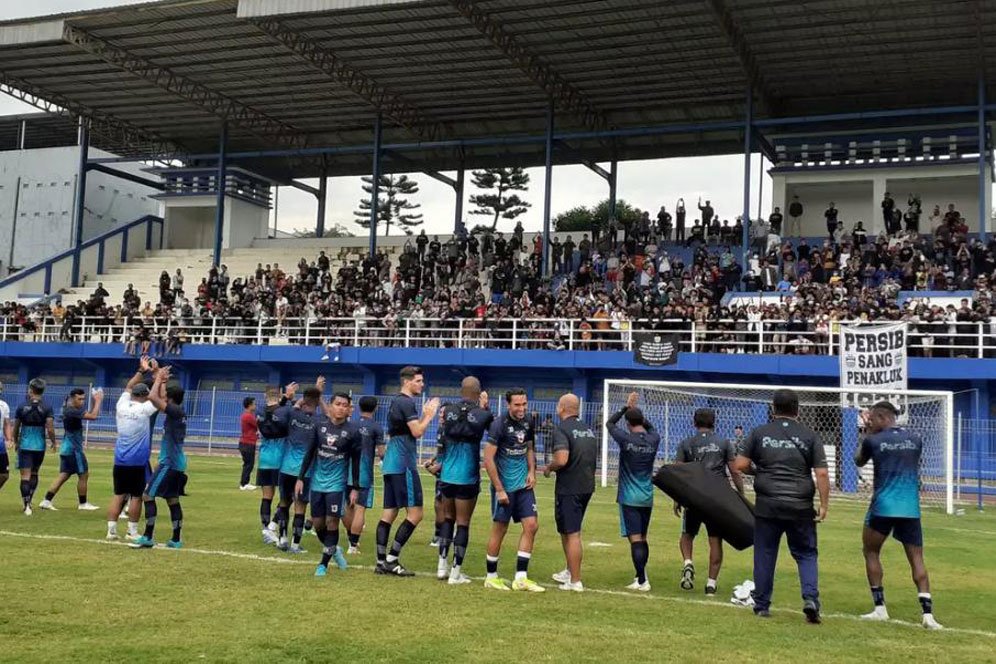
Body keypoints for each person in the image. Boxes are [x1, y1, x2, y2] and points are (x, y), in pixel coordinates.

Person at [734, 389, 830, 624]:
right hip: (800, 505)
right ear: (798, 409)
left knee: (765, 554)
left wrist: (758, 471)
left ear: (773, 409)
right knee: (806, 553)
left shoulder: (759, 433)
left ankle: (762, 605)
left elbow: (740, 464)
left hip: (768, 504)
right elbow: (822, 473)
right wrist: (824, 504)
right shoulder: (810, 436)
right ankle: (810, 600)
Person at [855, 401, 942, 629]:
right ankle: (928, 615)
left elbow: (858, 460)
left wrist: (867, 432)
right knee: (916, 559)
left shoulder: (873, 440)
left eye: (871, 419)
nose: (869, 422)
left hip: (883, 506)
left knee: (871, 550)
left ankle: (880, 608)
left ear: (882, 418)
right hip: (910, 507)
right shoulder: (915, 439)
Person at [375, 366, 440, 576]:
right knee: (416, 513)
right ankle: (392, 559)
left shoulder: (396, 401)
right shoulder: (406, 402)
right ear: (407, 382)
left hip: (391, 465)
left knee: (389, 513)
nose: (422, 384)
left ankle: (380, 562)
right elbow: (417, 431)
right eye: (419, 381)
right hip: (403, 465)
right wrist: (429, 415)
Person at [674, 408, 744, 594]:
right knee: (715, 540)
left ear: (694, 423)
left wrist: (678, 498)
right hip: (716, 498)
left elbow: (678, 472)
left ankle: (688, 562)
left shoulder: (686, 443)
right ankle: (711, 584)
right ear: (714, 423)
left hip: (694, 496)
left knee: (687, 534)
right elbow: (735, 471)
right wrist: (741, 494)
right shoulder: (724, 443)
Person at [482, 389, 544, 592]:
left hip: (523, 485)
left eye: (524, 404)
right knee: (500, 529)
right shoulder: (499, 425)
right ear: (508, 405)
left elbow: (529, 447)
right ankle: (491, 576)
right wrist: (499, 489)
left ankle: (521, 578)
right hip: (504, 486)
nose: (522, 408)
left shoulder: (528, 422)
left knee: (532, 525)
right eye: (517, 404)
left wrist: (532, 471)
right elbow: (488, 458)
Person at [297, 392, 365, 577]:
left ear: (349, 409)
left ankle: (323, 565)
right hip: (317, 484)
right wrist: (300, 477)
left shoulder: (353, 432)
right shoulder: (319, 427)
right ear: (331, 405)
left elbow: (356, 462)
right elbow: (310, 453)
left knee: (332, 521)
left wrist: (355, 488)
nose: (341, 407)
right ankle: (334, 550)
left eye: (345, 405)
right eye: (338, 404)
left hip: (337, 485)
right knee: (318, 524)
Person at [435, 377, 493, 585]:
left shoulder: (448, 409)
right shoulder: (483, 414)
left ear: (461, 391)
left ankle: (441, 566)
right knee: (463, 523)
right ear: (479, 393)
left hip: (447, 474)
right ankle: (455, 572)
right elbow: (492, 431)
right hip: (467, 475)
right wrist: (485, 407)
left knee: (447, 519)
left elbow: (442, 433)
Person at [605, 391, 660, 591]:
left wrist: (625, 408)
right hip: (647, 496)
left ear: (628, 423)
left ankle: (642, 580)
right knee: (642, 538)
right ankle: (641, 576)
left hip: (629, 497)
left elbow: (610, 424)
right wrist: (636, 413)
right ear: (642, 421)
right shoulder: (654, 439)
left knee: (635, 539)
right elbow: (651, 427)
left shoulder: (626, 439)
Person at [106, 358, 166, 540]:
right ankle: (132, 531)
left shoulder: (121, 405)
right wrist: (159, 376)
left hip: (120, 459)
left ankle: (111, 530)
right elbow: (160, 398)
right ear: (145, 395)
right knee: (136, 497)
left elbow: (128, 385)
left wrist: (142, 370)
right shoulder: (145, 410)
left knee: (118, 495)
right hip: (137, 461)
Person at [546, 393, 599, 592]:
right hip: (586, 485)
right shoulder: (588, 430)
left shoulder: (562, 430)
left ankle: (576, 581)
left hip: (569, 488)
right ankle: (569, 570)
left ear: (561, 408)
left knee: (572, 533)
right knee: (566, 530)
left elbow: (561, 459)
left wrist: (550, 468)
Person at [132, 373, 188, 549]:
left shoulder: (174, 411)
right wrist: (163, 381)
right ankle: (176, 539)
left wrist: (157, 380)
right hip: (176, 462)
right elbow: (161, 397)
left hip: (169, 463)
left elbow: (154, 397)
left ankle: (148, 535)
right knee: (172, 499)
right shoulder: (177, 411)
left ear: (170, 399)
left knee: (147, 495)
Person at [275, 380, 324, 554]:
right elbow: (330, 416)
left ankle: (282, 539)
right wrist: (319, 396)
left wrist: (292, 401)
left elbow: (276, 413)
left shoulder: (292, 413)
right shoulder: (320, 421)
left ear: (303, 399)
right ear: (317, 402)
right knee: (300, 507)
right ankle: (295, 545)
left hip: (286, 468)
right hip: (305, 472)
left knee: (283, 503)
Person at [38, 387, 105, 511]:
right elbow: (93, 416)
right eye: (80, 399)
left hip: (67, 448)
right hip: (74, 450)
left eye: (83, 399)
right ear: (73, 398)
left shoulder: (70, 409)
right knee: (83, 475)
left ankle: (46, 500)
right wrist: (98, 400)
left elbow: (88, 414)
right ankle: (83, 503)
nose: (82, 401)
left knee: (64, 475)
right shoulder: (72, 411)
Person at [256, 383, 297, 545]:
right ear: (279, 394)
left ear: (265, 395)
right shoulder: (285, 410)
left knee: (267, 496)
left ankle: (266, 528)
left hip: (265, 458)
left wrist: (285, 398)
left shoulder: (259, 411)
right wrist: (289, 399)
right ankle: (273, 523)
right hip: (282, 458)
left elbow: (271, 412)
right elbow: (294, 413)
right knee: (288, 496)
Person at [343, 395, 383, 555]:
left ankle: (350, 538)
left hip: (346, 471)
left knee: (347, 507)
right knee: (360, 509)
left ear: (358, 407)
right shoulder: (376, 427)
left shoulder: (349, 424)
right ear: (375, 408)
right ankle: (353, 546)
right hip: (364, 472)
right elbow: (381, 453)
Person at [13, 378, 57, 516]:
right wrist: (53, 442)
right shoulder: (47, 407)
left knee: (24, 476)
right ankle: (30, 501)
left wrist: (15, 441)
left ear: (31, 389)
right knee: (34, 473)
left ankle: (26, 505)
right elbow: (50, 428)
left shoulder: (21, 406)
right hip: (39, 445)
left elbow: (16, 427)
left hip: (25, 444)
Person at [238, 397, 258, 491]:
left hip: (246, 442)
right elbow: (257, 425)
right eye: (254, 404)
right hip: (248, 443)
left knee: (248, 463)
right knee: (249, 464)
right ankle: (244, 483)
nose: (255, 406)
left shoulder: (247, 415)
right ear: (249, 405)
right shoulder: (248, 416)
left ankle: (245, 482)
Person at [0, 382, 10, 495]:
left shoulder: (4, 405)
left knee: (4, 475)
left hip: (0, 445)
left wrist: (9, 438)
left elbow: (7, 424)